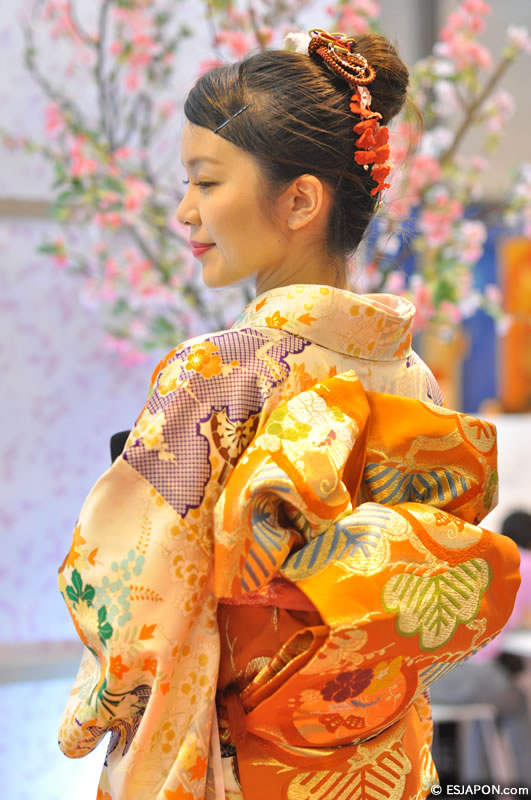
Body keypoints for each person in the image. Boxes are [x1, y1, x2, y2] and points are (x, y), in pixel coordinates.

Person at [57, 29, 520, 800]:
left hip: (241, 759)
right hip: (379, 755)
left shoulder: (216, 372)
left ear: (300, 199)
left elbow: (133, 598)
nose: (184, 212)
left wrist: (98, 706)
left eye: (206, 182)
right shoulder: (410, 375)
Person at [430, 510, 531, 786]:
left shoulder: (482, 562)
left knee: (485, 707)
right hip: (469, 674)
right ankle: (525, 783)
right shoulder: (525, 565)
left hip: (430, 678)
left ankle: (478, 784)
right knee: (515, 701)